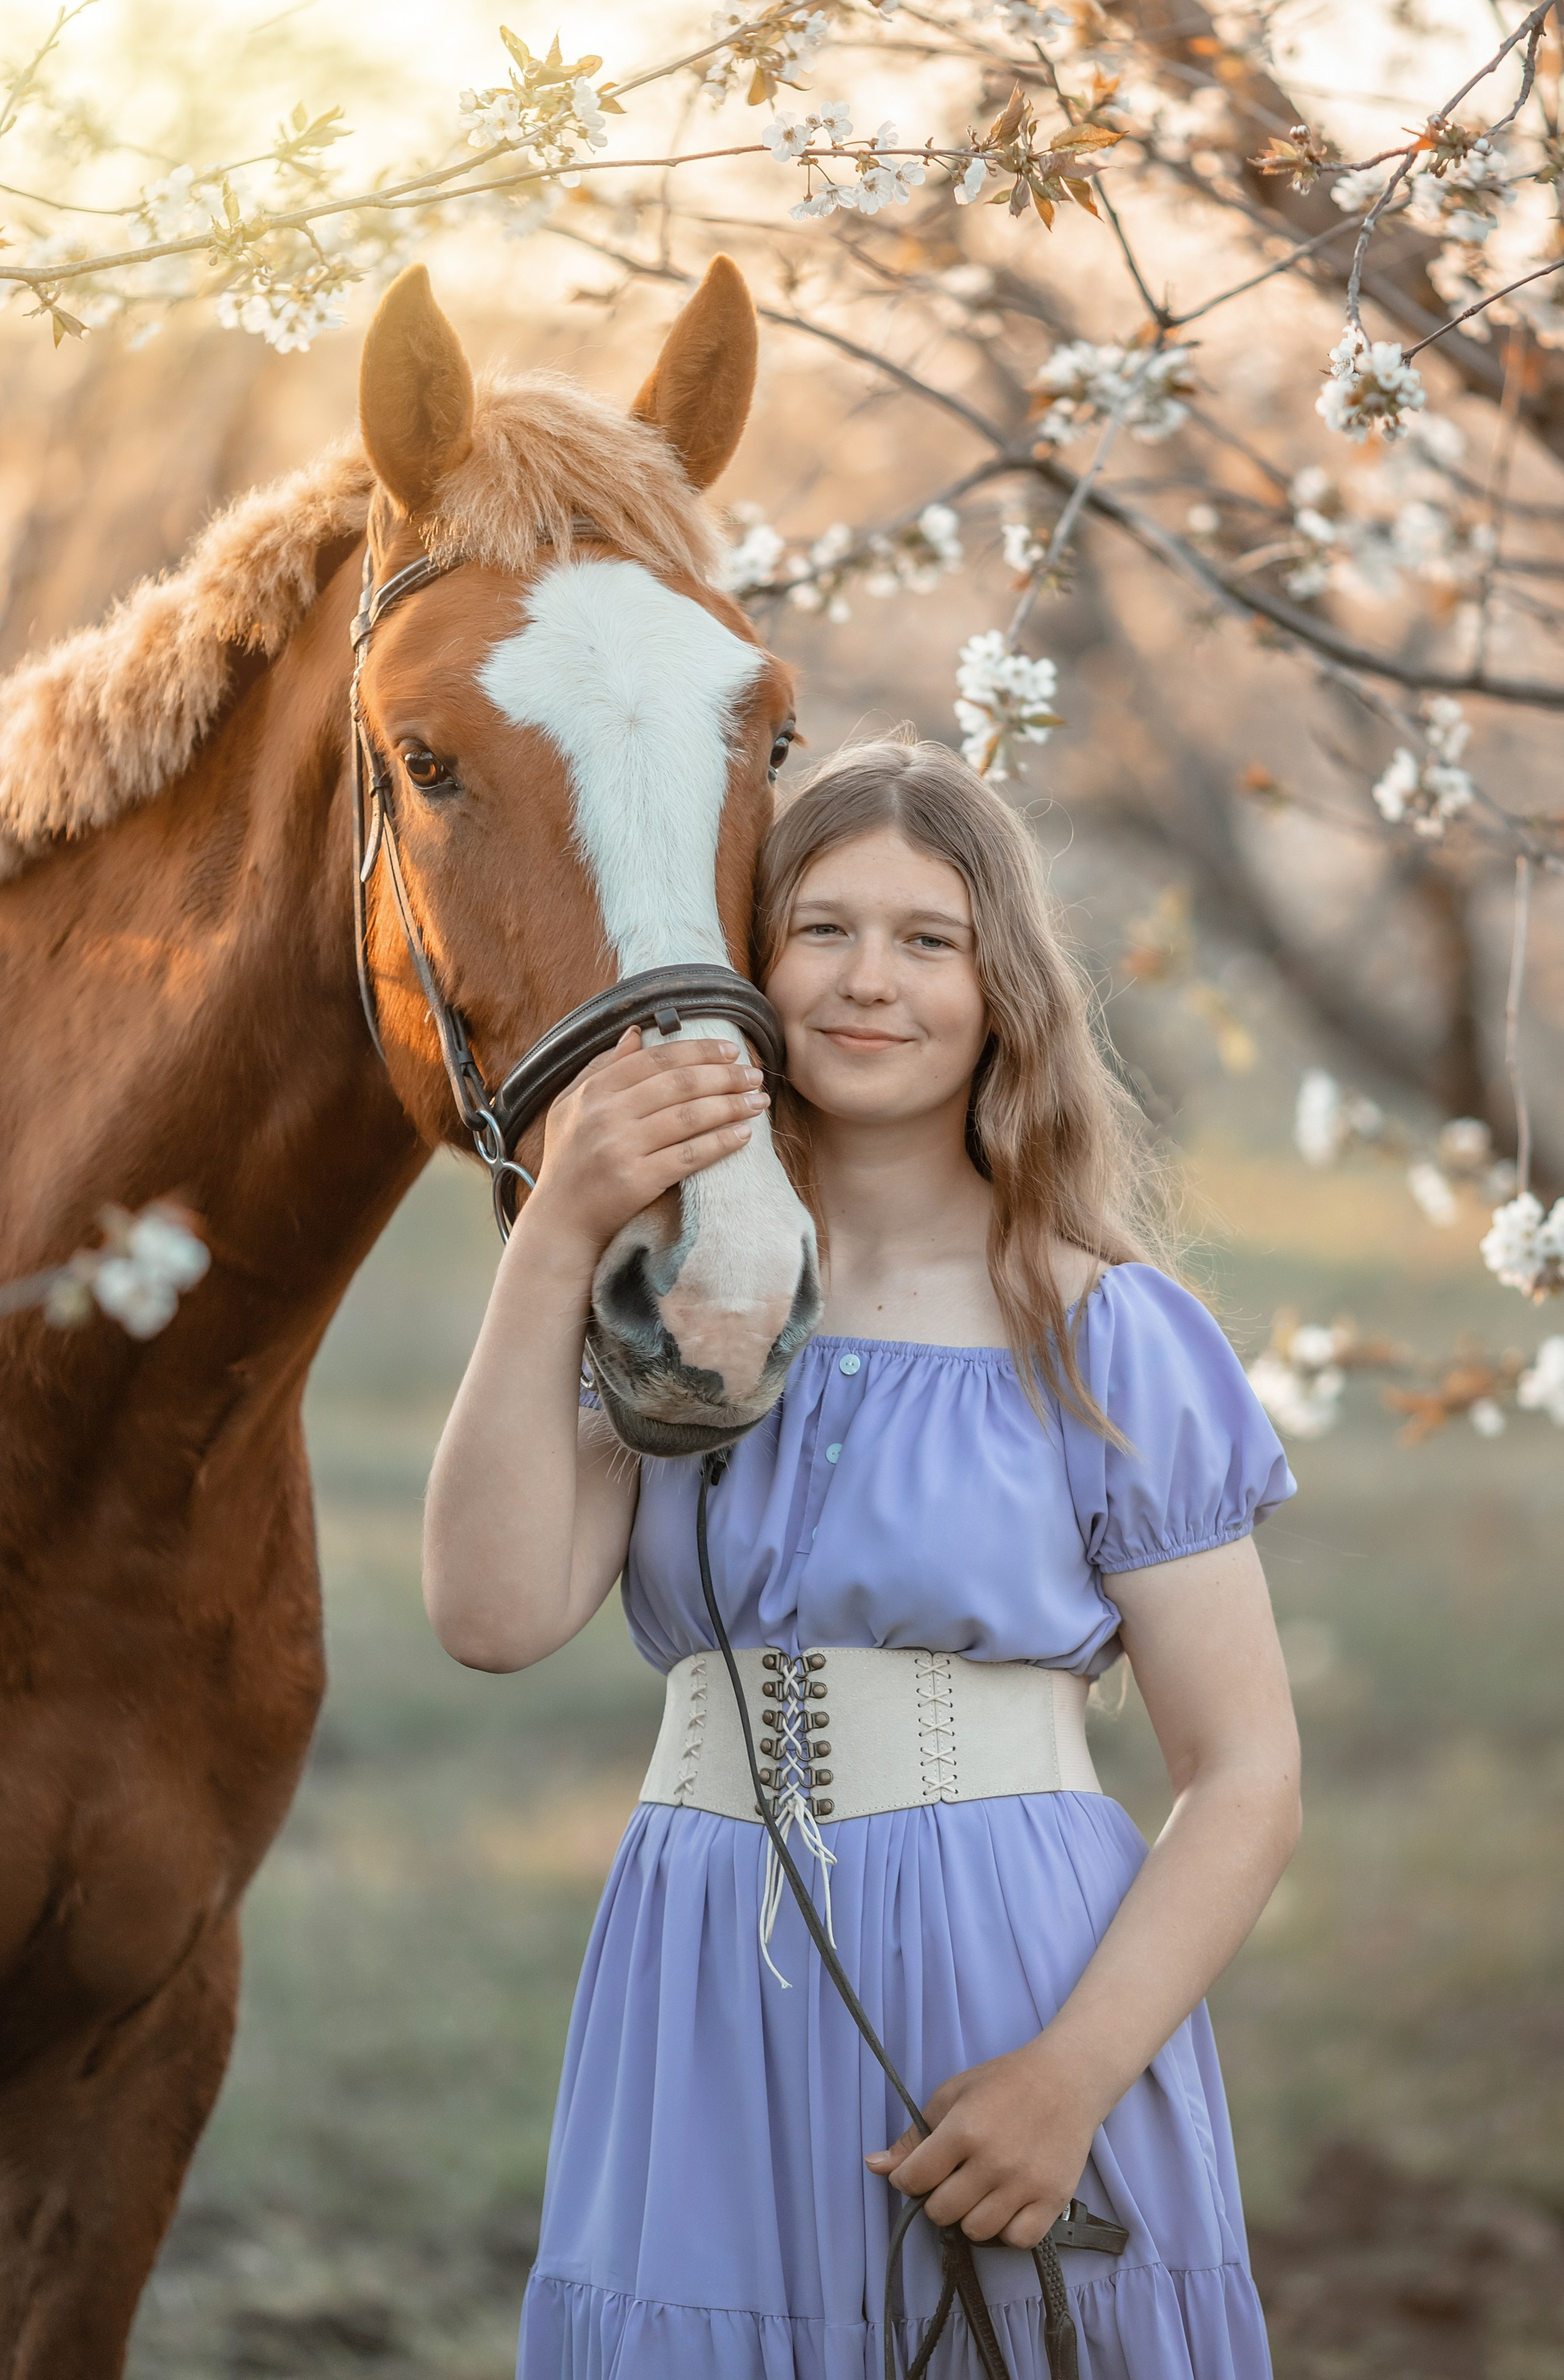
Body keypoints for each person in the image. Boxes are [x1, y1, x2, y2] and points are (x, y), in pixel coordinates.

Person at [424, 733, 1302, 2379]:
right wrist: (557, 1239)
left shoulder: (1106, 1333)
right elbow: (488, 1614)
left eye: (928, 938)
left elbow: (1248, 1773)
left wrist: (1070, 2080)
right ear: (749, 973)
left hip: (1011, 1971)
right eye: (820, 929)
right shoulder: (685, 1305)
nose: (867, 982)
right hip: (696, 1968)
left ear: (1001, 989)